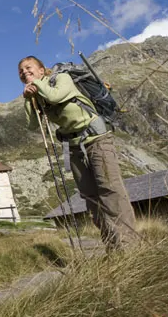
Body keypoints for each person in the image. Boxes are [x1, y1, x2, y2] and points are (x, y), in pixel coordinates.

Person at [18, 55, 139, 252]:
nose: (24, 72)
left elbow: (56, 96)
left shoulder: (61, 78)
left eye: (28, 67)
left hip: (97, 139)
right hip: (73, 146)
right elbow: (33, 125)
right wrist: (28, 99)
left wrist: (38, 85)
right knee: (91, 197)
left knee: (110, 190)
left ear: (42, 70)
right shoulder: (37, 94)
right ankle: (113, 247)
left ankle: (130, 247)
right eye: (21, 71)